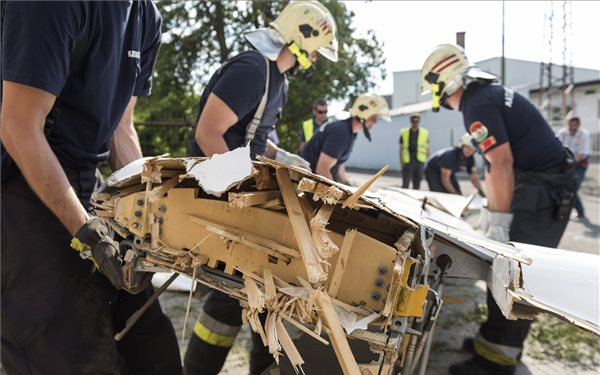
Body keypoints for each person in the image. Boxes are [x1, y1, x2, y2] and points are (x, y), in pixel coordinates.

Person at [1, 2, 182, 374]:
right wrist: (84, 230)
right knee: (70, 357)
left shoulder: (145, 16)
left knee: (153, 351)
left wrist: (148, 214)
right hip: (19, 178)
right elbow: (18, 125)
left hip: (88, 179)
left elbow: (120, 129)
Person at [185, 2, 339, 375]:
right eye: (316, 48)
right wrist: (243, 192)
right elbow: (208, 133)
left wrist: (284, 158)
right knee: (246, 287)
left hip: (241, 193)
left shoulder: (278, 81)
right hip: (221, 193)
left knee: (269, 288)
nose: (316, 58)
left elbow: (256, 134)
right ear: (301, 40)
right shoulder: (253, 70)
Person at [421, 44, 577, 375]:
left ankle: (496, 362)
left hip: (542, 192)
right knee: (505, 270)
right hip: (542, 187)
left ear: (444, 83)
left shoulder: (476, 104)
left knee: (514, 275)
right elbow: (496, 169)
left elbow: (501, 163)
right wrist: (492, 214)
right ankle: (492, 342)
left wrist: (500, 225)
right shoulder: (488, 95)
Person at [300, 93, 390, 184]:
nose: (376, 121)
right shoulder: (341, 133)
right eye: (374, 117)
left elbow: (338, 162)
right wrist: (336, 193)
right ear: (363, 113)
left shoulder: (350, 131)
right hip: (305, 183)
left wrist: (347, 184)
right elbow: (322, 170)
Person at [556, 116, 591, 219]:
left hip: (580, 164)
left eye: (575, 124)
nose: (572, 127)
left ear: (578, 125)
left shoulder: (584, 134)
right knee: (567, 187)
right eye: (571, 124)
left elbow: (583, 153)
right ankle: (567, 211)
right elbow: (556, 146)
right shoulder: (562, 133)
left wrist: (572, 161)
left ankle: (579, 212)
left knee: (573, 186)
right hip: (566, 163)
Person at [400, 113, 429, 189]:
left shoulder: (425, 133)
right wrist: (401, 161)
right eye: (413, 121)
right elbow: (401, 148)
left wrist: (427, 160)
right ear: (411, 121)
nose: (415, 123)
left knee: (417, 184)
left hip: (419, 161)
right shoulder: (404, 132)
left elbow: (427, 147)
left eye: (417, 121)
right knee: (405, 184)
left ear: (419, 121)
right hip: (408, 161)